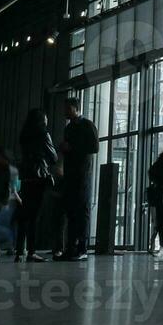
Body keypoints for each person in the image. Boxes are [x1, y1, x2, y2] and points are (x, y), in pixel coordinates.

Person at [57, 98, 97, 261]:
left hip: (82, 175)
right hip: (71, 174)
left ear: (75, 108)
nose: (64, 112)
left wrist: (71, 148)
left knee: (81, 210)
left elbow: (94, 147)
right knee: (72, 211)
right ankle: (71, 248)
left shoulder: (87, 125)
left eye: (67, 108)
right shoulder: (69, 128)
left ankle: (82, 248)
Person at [16, 109, 58, 262]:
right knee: (34, 217)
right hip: (38, 177)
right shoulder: (43, 134)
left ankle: (19, 251)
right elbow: (53, 157)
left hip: (26, 177)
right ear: (41, 120)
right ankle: (32, 252)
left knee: (24, 216)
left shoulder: (24, 135)